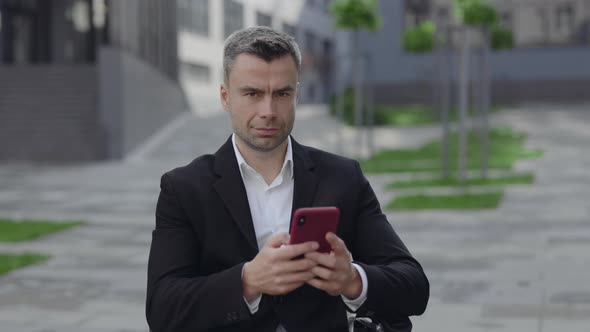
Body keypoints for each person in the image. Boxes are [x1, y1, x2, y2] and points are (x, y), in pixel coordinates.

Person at [146, 26, 429, 332]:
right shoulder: (184, 189)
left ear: (297, 94)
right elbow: (162, 309)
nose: (268, 111)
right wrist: (247, 281)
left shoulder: (343, 177)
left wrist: (352, 280)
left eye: (282, 94)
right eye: (252, 93)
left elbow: (414, 286)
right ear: (225, 97)